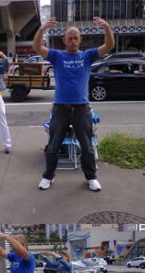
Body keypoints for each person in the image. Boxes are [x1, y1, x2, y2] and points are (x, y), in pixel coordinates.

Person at [32, 16, 115, 192]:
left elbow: (108, 46)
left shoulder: (87, 56)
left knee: (87, 147)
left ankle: (91, 178)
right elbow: (37, 47)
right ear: (64, 40)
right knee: (53, 147)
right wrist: (42, 29)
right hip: (61, 108)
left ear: (80, 40)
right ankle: (48, 176)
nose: (72, 41)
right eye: (69, 38)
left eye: (75, 38)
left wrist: (107, 27)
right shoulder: (57, 56)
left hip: (81, 108)